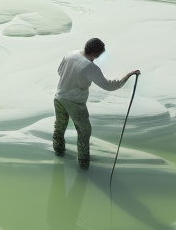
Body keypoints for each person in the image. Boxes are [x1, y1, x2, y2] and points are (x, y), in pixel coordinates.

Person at [54, 37, 138, 169]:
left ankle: (58, 151)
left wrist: (73, 80)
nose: (98, 58)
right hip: (75, 103)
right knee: (84, 131)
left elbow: (60, 71)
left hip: (59, 97)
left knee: (60, 125)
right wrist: (128, 76)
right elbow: (109, 86)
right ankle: (83, 162)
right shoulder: (90, 67)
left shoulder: (71, 55)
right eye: (99, 55)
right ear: (94, 53)